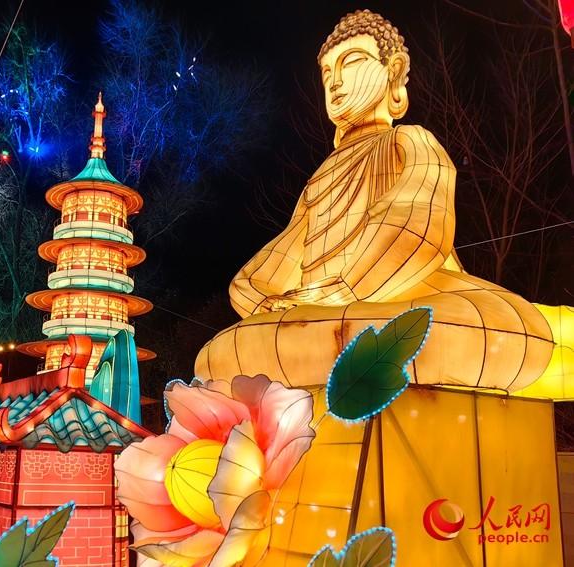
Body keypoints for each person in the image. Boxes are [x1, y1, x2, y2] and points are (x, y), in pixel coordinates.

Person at [195, 9, 554, 392]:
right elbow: (282, 254)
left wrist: (343, 290)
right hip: (321, 313)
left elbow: (416, 228)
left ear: (393, 72)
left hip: (406, 293)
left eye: (351, 62)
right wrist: (262, 297)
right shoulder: (321, 176)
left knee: (507, 328)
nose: (335, 83)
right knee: (223, 353)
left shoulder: (409, 141)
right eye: (327, 74)